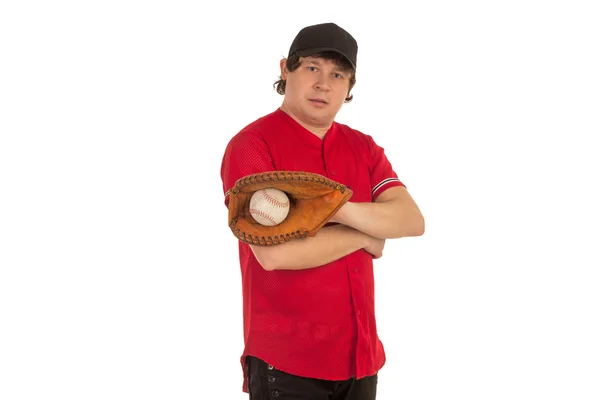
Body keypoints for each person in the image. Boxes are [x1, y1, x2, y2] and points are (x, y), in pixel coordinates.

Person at [220, 22, 425, 400]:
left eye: (338, 74)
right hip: (286, 362)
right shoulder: (252, 145)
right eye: (312, 68)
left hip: (361, 358)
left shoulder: (363, 148)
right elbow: (273, 254)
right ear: (286, 69)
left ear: (349, 87)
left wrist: (333, 209)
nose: (324, 84)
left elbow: (411, 220)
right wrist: (366, 234)